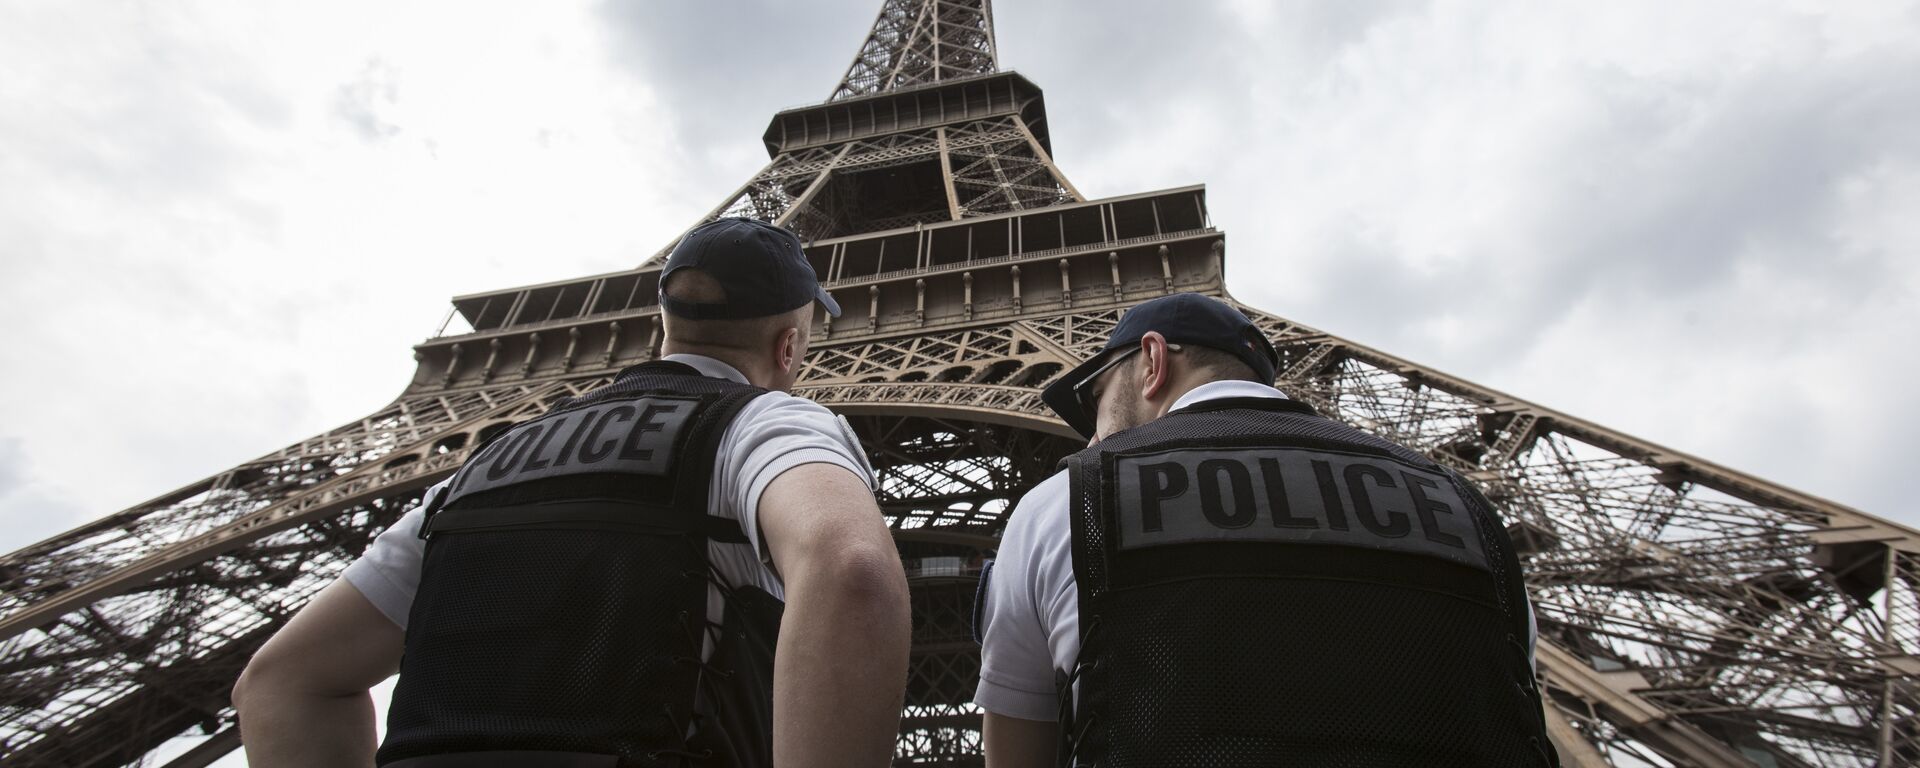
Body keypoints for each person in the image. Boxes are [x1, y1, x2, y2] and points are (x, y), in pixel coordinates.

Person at [233, 217, 912, 768]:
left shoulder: (483, 465)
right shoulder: (762, 420)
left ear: (664, 323)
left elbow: (282, 682)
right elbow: (849, 569)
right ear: (789, 346)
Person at [973, 293, 1559, 767]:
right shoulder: (1464, 508)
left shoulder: (1064, 502)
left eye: (1097, 399)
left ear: (1152, 362)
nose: (1093, 437)